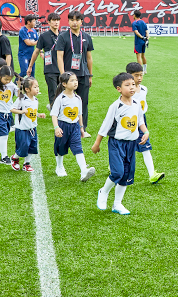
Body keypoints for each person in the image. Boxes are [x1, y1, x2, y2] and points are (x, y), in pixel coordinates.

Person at [92, 72, 148, 215]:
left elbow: (140, 121)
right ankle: (103, 192)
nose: (132, 87)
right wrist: (97, 143)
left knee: (126, 175)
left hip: (131, 145)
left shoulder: (136, 104)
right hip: (117, 144)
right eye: (127, 85)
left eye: (133, 84)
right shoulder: (115, 106)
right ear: (119, 89)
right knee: (117, 172)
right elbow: (105, 126)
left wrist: (145, 132)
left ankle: (117, 204)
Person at [50, 72, 96, 181]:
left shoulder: (78, 98)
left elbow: (79, 114)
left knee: (77, 147)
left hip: (75, 127)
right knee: (60, 148)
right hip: (62, 126)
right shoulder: (60, 98)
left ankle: (84, 170)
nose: (75, 82)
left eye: (76, 80)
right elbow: (54, 114)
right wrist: (56, 127)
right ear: (64, 84)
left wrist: (81, 127)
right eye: (72, 80)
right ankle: (59, 167)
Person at [55, 12, 94, 137]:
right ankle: (63, 127)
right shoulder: (63, 37)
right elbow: (59, 57)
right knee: (65, 102)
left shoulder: (86, 37)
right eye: (71, 20)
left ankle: (82, 129)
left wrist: (90, 75)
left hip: (83, 74)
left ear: (82, 21)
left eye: (77, 20)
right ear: (68, 21)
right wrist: (63, 75)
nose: (74, 22)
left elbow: (89, 58)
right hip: (68, 76)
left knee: (83, 102)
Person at [127, 63, 164, 184]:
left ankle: (152, 174)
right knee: (126, 147)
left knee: (145, 146)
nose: (139, 78)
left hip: (142, 120)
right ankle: (113, 167)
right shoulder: (128, 91)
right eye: (136, 75)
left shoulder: (144, 89)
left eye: (141, 75)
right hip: (129, 121)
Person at [28, 13, 63, 109]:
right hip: (50, 69)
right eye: (54, 20)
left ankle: (57, 109)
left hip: (62, 69)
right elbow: (36, 51)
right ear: (49, 22)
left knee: (63, 91)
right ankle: (54, 111)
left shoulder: (63, 36)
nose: (56, 22)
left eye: (58, 20)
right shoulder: (44, 36)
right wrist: (30, 66)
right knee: (53, 92)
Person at [11, 76, 46, 172]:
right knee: (23, 147)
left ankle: (27, 163)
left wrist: (38, 114)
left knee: (32, 147)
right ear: (27, 89)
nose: (37, 89)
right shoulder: (21, 99)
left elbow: (32, 112)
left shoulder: (35, 100)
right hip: (22, 128)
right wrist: (21, 111)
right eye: (35, 87)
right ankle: (15, 158)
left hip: (32, 128)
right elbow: (12, 109)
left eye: (38, 86)